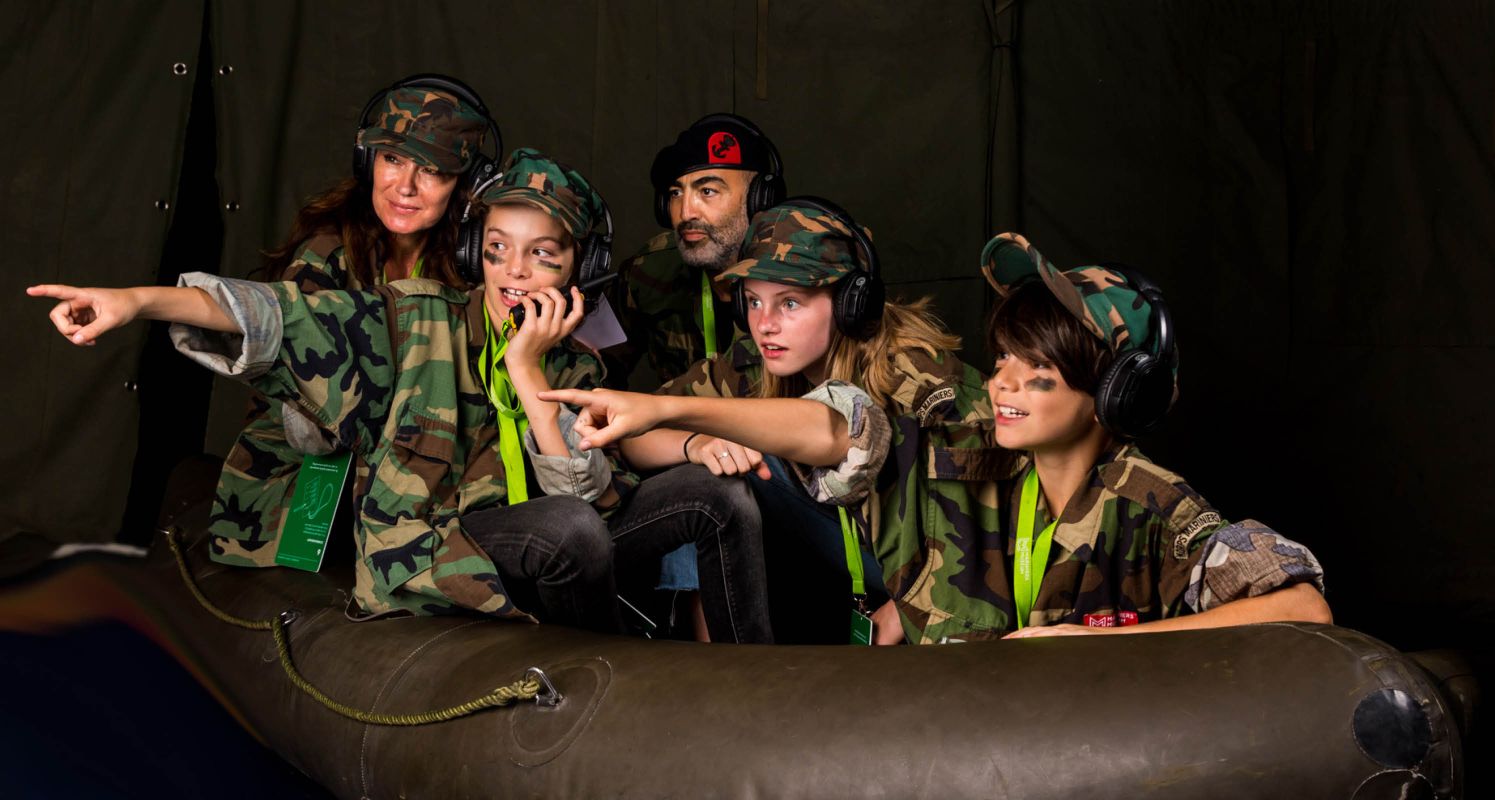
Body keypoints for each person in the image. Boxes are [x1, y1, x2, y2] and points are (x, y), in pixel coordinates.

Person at [32, 149, 630, 629]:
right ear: (478, 251)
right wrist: (136, 301)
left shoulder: (576, 367)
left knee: (617, 516)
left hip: (535, 545)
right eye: (498, 249)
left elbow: (580, 495)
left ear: (580, 268)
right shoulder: (416, 321)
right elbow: (276, 314)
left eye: (542, 255)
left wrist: (526, 371)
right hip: (436, 552)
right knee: (567, 531)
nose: (515, 272)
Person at [543, 197, 1019, 644]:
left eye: (789, 303)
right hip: (837, 561)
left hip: (941, 573)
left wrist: (909, 601)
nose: (765, 323)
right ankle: (707, 661)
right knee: (704, 472)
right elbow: (630, 436)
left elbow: (992, 519)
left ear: (851, 303)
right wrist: (696, 444)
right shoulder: (751, 361)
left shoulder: (918, 375)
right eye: (753, 301)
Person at [211, 74, 500, 570]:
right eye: (392, 159)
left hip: (431, 469)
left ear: (467, 184)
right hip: (309, 469)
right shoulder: (326, 255)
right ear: (368, 160)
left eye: (431, 169)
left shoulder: (484, 260)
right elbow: (309, 424)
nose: (404, 186)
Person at [977, 233, 1331, 638]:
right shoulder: (997, 482)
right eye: (1003, 354)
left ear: (1116, 389)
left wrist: (1102, 641)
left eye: (1038, 364)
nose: (1002, 381)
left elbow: (1305, 609)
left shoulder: (1154, 502)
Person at [605, 113, 786, 390]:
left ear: (759, 200)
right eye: (676, 194)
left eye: (708, 191)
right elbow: (596, 369)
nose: (686, 212)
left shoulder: (801, 278)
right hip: (671, 433)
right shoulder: (651, 270)